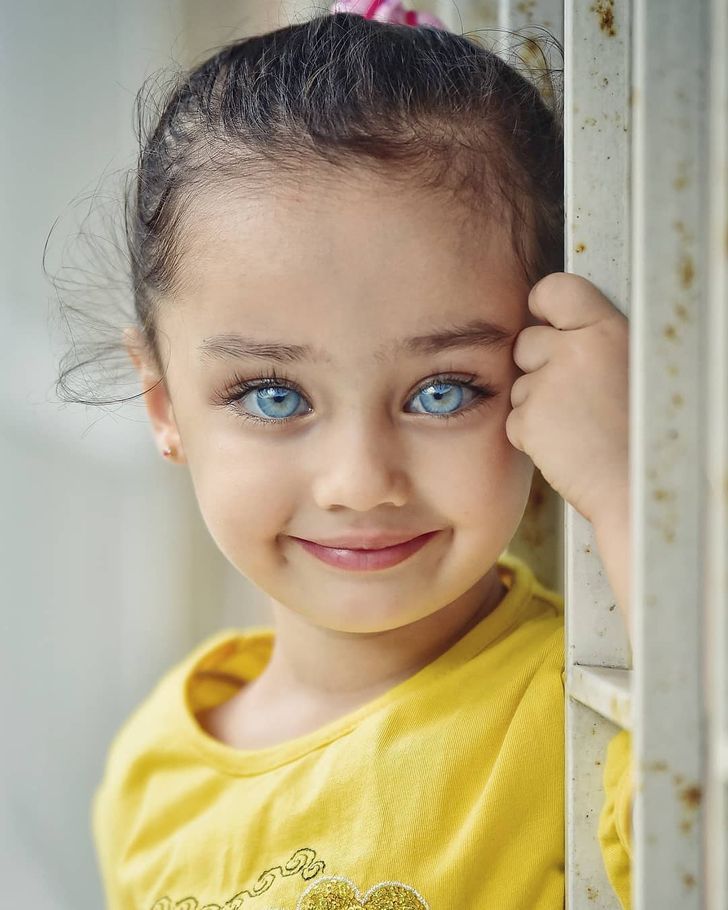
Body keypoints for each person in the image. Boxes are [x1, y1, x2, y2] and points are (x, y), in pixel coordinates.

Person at [62, 5, 633, 909]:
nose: (362, 484)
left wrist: (629, 489)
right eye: (273, 396)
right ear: (164, 403)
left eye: (443, 390)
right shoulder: (152, 771)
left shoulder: (588, 714)